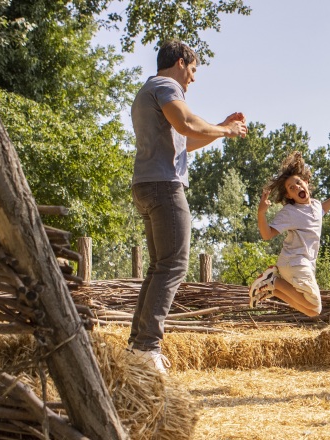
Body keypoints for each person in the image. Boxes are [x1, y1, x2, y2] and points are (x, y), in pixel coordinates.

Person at [129, 40, 247, 374]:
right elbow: (187, 124)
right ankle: (146, 347)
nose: (193, 79)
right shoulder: (167, 86)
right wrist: (225, 127)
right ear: (181, 63)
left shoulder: (147, 91)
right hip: (165, 187)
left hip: (146, 184)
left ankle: (136, 347)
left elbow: (187, 141)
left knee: (158, 267)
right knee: (174, 266)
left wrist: (221, 130)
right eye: (193, 70)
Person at [247, 152, 330, 317]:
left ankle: (274, 289)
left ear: (306, 183)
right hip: (294, 262)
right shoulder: (290, 212)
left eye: (299, 183)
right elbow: (267, 235)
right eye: (292, 188)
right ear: (289, 195)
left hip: (304, 264)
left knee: (312, 311)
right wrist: (261, 213)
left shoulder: (315, 205)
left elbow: (322, 210)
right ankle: (274, 281)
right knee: (315, 305)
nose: (297, 188)